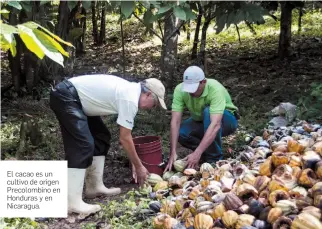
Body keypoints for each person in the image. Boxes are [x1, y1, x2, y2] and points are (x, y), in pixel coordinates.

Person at [49, 74, 167, 215]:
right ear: (148, 94)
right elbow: (125, 138)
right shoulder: (129, 99)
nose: (151, 108)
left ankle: (94, 187)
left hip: (78, 100)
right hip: (66, 96)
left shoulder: (130, 92)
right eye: (154, 104)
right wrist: (139, 166)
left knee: (101, 137)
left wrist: (136, 163)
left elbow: (125, 138)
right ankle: (72, 203)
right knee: (83, 145)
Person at [164, 66, 239, 171]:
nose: (191, 93)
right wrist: (173, 152)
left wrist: (197, 152)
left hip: (227, 120)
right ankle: (204, 153)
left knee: (208, 112)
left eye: (194, 88)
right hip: (201, 121)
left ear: (203, 82)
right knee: (183, 133)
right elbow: (175, 121)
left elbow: (215, 124)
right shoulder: (179, 90)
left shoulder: (214, 88)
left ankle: (214, 159)